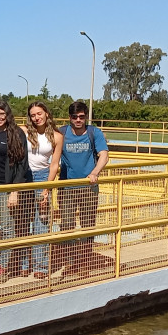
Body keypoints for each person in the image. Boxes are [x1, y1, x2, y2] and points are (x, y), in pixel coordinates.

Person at [0, 100, 33, 285]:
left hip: (5, 188)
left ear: (7, 114)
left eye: (1, 114)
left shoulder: (16, 133)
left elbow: (22, 164)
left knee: (7, 228)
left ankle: (3, 267)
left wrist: (14, 190)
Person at [57, 101, 110, 276]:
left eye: (81, 117)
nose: (78, 120)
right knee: (67, 225)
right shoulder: (62, 133)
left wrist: (95, 172)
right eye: (74, 117)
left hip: (88, 187)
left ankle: (85, 260)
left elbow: (104, 155)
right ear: (69, 117)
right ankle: (71, 262)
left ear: (86, 116)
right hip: (67, 187)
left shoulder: (94, 133)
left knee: (88, 225)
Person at [23, 101, 63, 279]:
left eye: (39, 113)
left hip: (42, 177)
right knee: (23, 221)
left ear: (47, 114)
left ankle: (41, 266)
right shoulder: (24, 131)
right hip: (24, 177)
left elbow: (54, 165)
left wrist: (47, 188)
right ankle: (23, 263)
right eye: (33, 115)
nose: (36, 117)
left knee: (41, 223)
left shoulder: (56, 136)